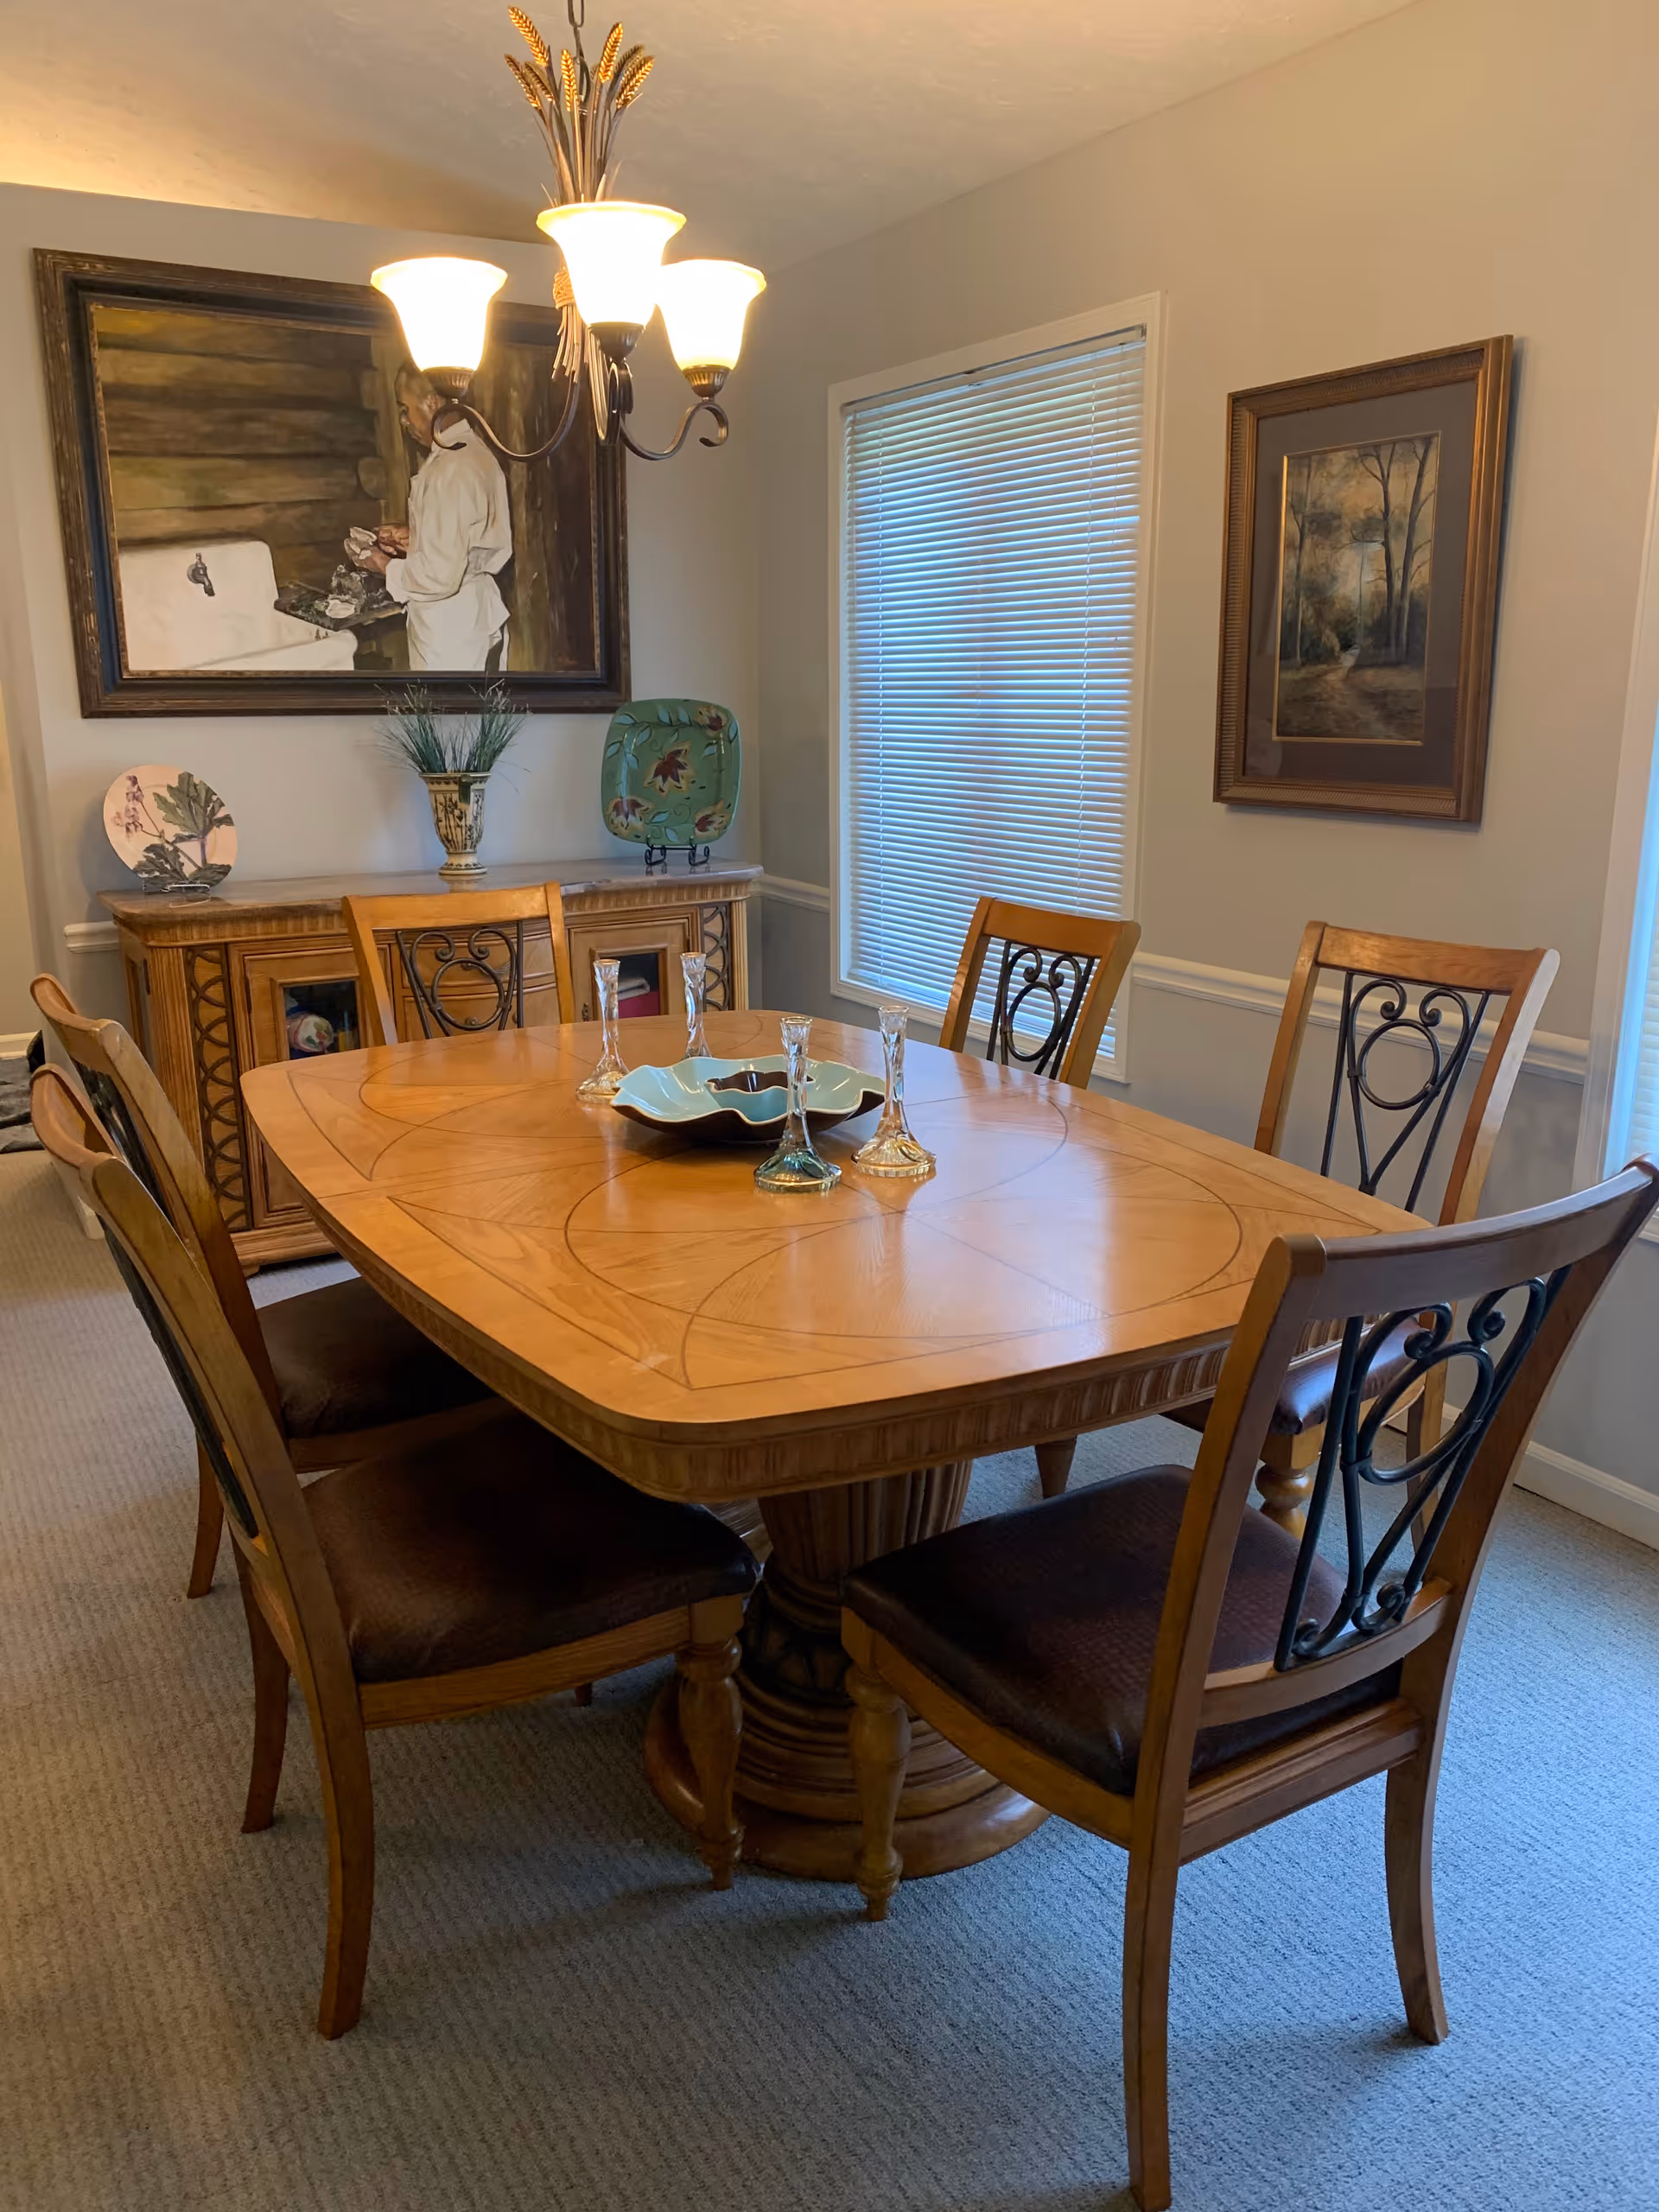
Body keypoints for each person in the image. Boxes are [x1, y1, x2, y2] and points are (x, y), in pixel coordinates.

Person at [354, 367, 513, 672]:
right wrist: (418, 538)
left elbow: (438, 575)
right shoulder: (475, 452)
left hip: (449, 635)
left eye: (405, 409)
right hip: (471, 619)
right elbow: (470, 539)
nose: (403, 421)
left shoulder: (449, 468)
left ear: (431, 402)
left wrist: (382, 564)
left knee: (450, 706)